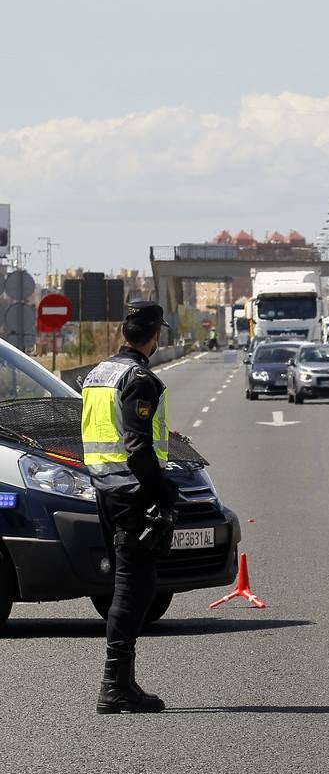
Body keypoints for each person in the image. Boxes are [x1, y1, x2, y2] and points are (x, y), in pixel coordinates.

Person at [82, 301, 177, 714]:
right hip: (131, 491)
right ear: (156, 336)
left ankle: (121, 682)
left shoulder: (97, 374)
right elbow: (138, 446)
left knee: (130, 583)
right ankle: (115, 684)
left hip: (103, 487)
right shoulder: (139, 379)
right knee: (134, 587)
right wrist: (163, 491)